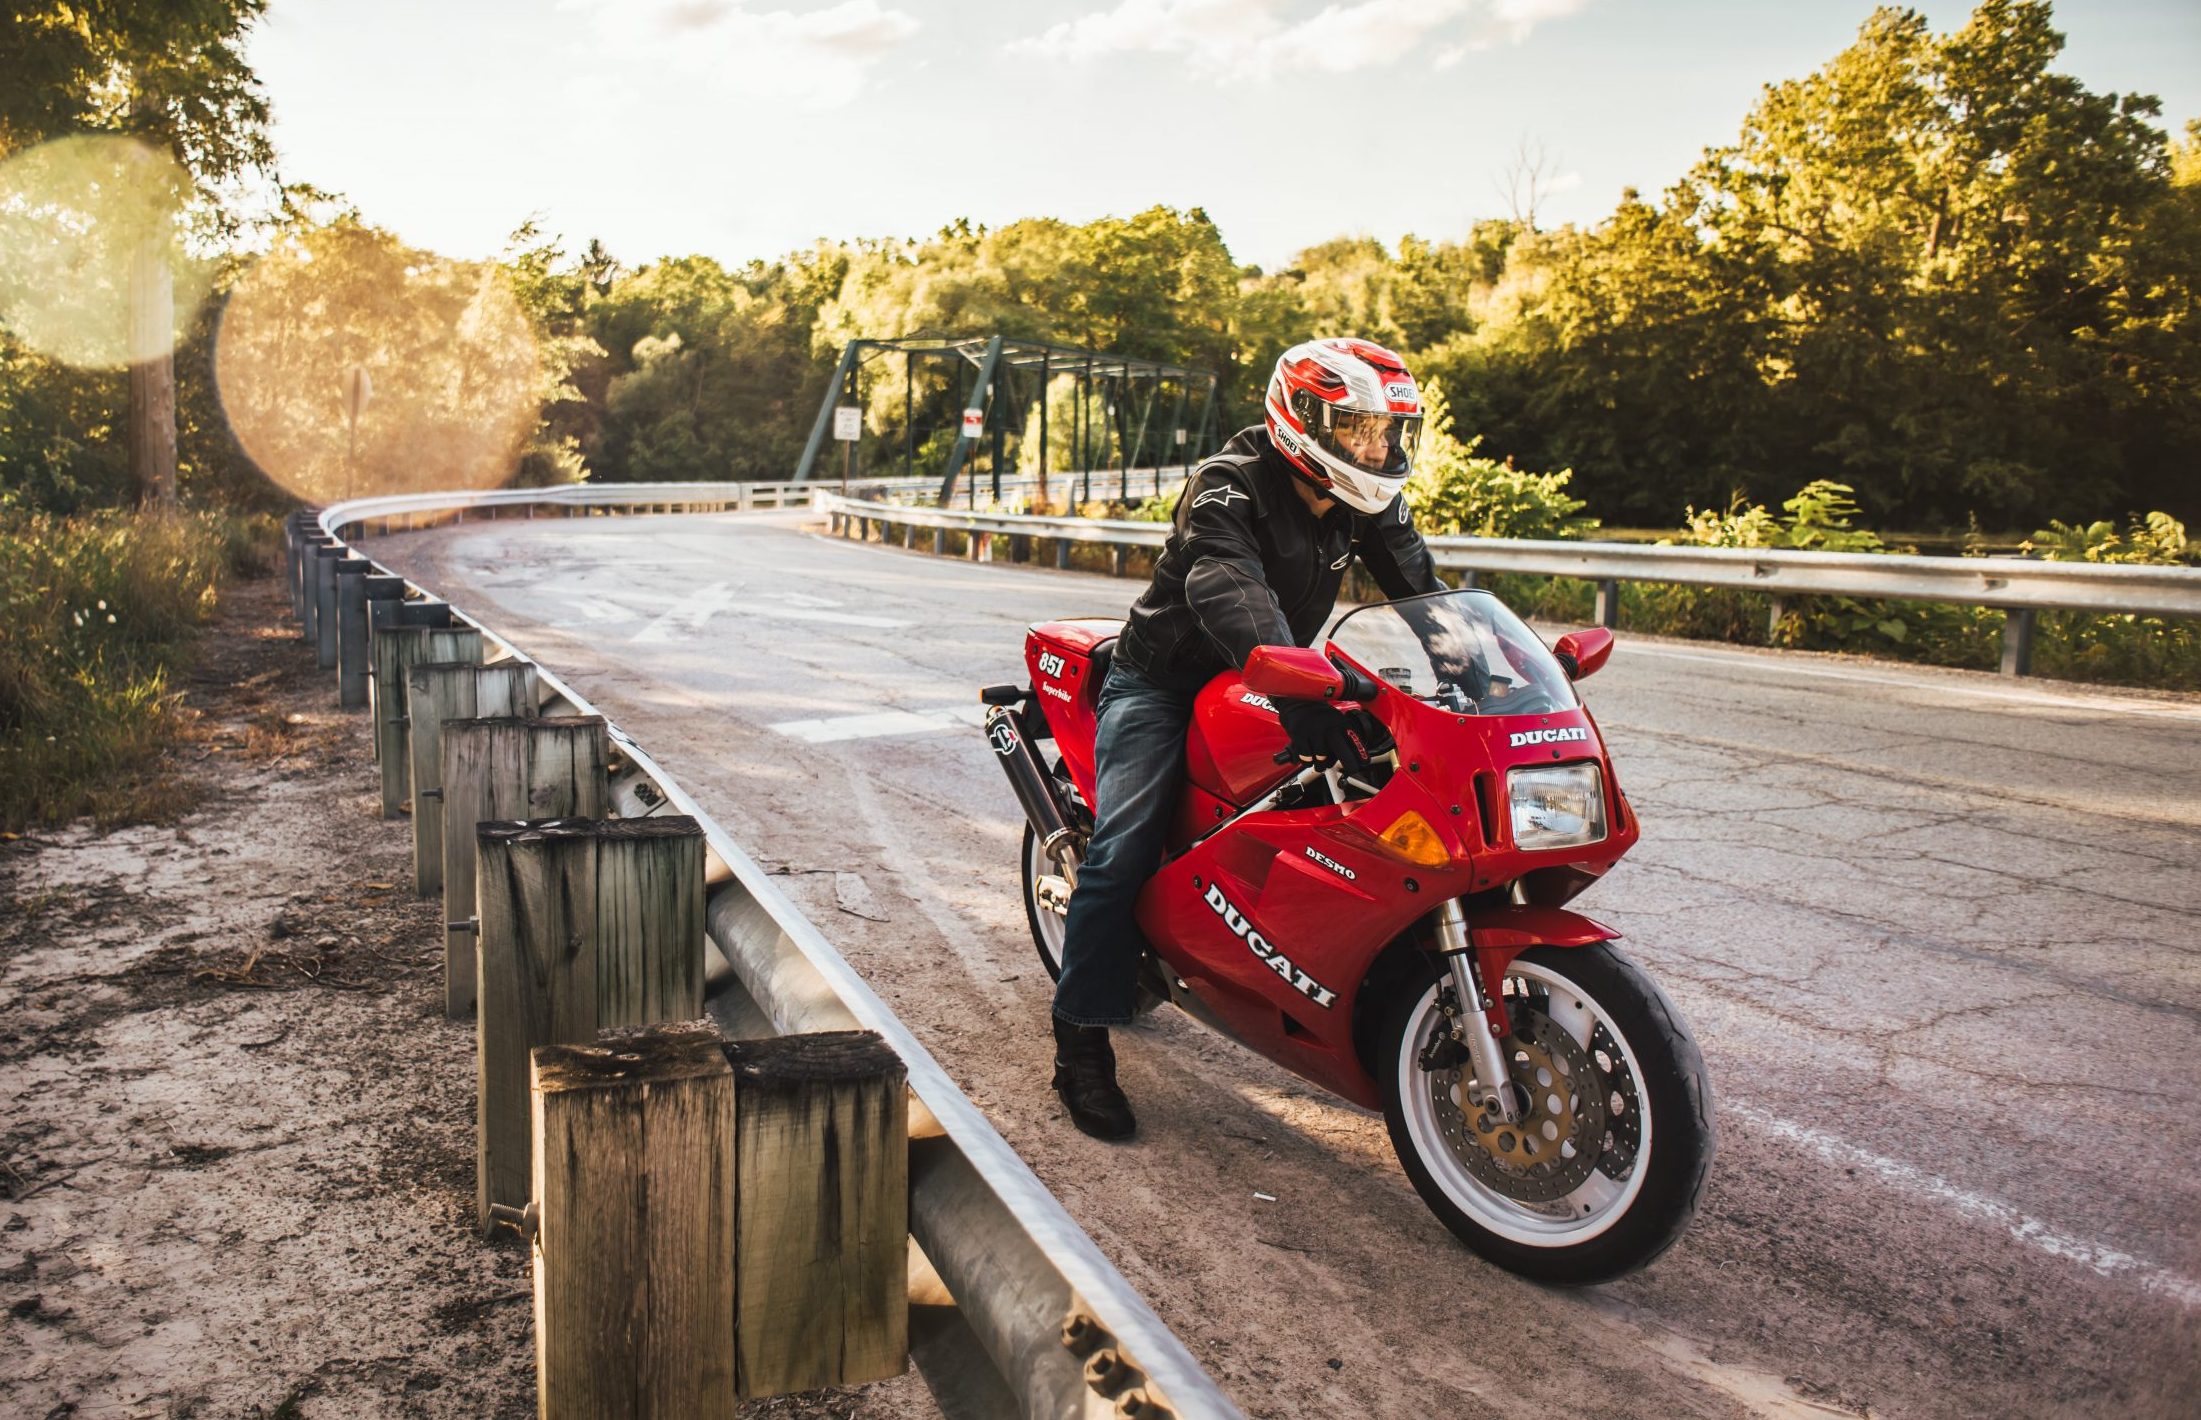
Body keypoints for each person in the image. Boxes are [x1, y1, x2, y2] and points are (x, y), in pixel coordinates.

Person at [1050, 337, 1448, 1140]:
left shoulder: (1364, 499)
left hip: (1272, 672)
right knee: (1121, 848)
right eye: (1360, 428)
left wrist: (1486, 668)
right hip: (1165, 679)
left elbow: (1421, 591)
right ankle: (1080, 1043)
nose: (1378, 449)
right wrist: (1294, 691)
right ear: (1303, 419)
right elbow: (1227, 586)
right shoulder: (1225, 487)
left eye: (1387, 432)